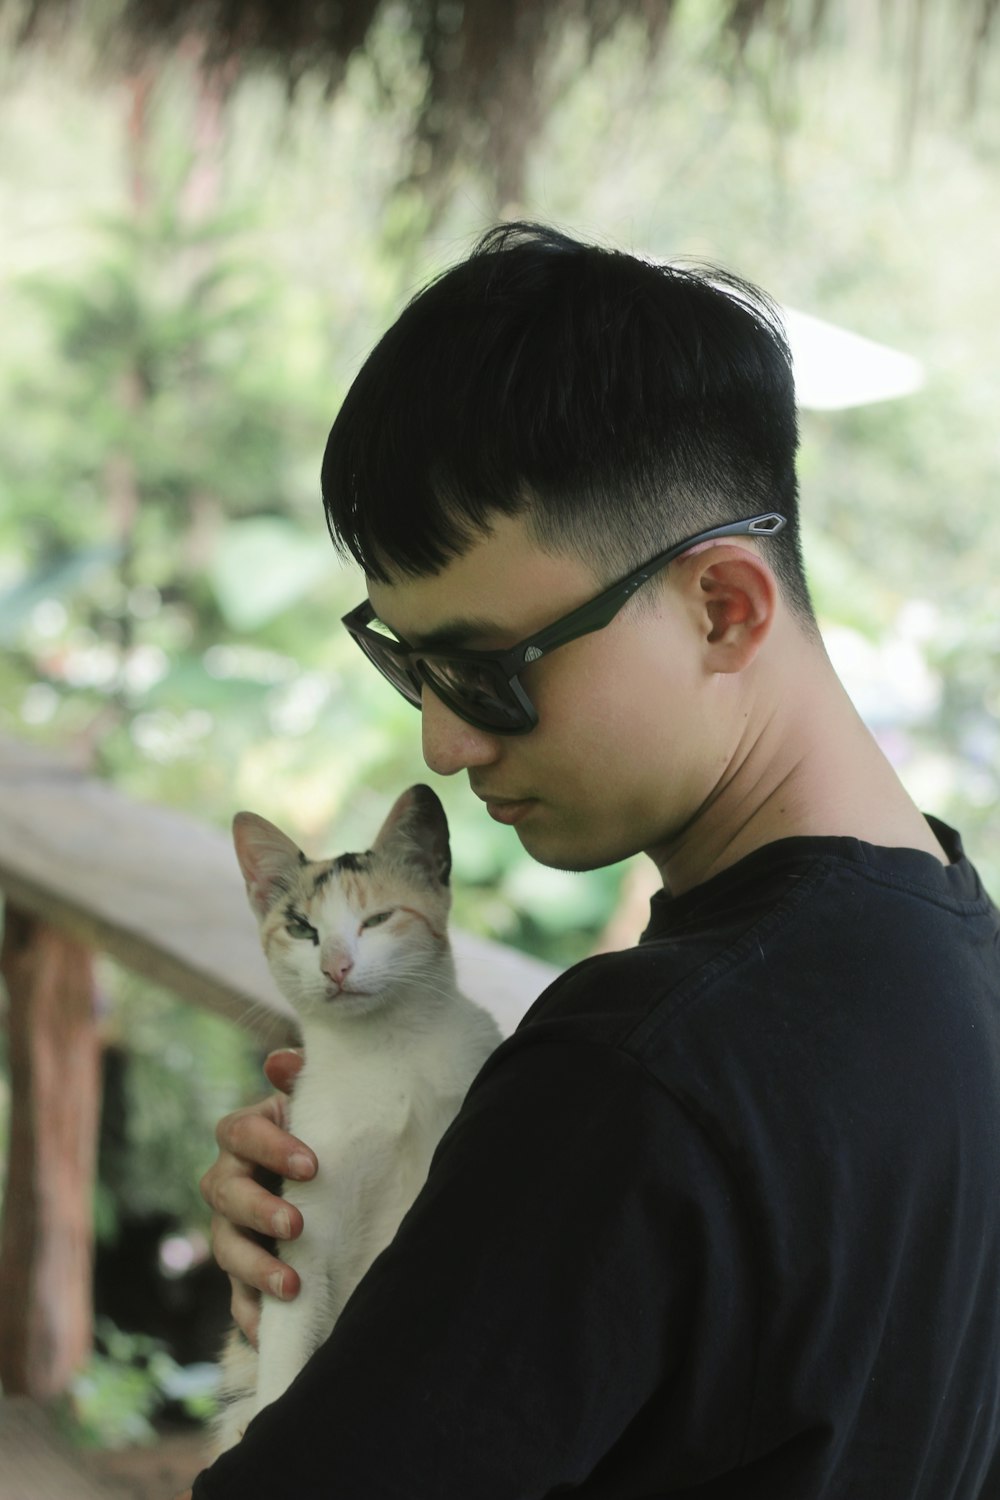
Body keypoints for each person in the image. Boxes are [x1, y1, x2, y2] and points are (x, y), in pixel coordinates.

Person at [189, 223, 1000, 1498]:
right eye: (406, 662)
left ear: (721, 605)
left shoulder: (639, 1077)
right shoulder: (960, 948)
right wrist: (360, 1288)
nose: (443, 741)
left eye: (486, 670)